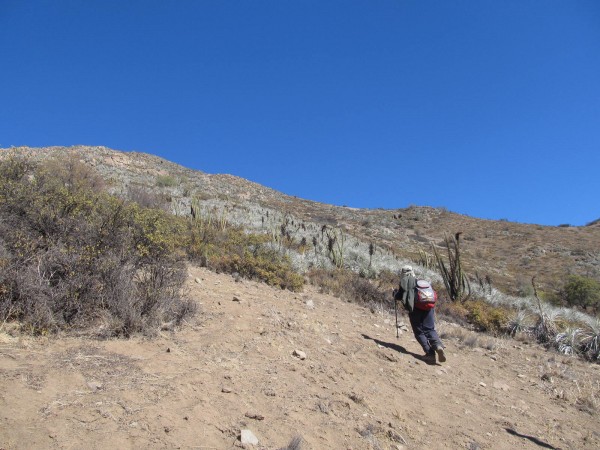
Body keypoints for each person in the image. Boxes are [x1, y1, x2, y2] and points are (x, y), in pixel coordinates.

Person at [394, 265, 446, 363]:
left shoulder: (405, 282)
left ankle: (430, 354)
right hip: (429, 307)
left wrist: (395, 294)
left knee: (419, 332)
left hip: (416, 309)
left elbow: (399, 296)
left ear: (402, 272)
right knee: (429, 329)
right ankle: (438, 345)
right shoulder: (420, 281)